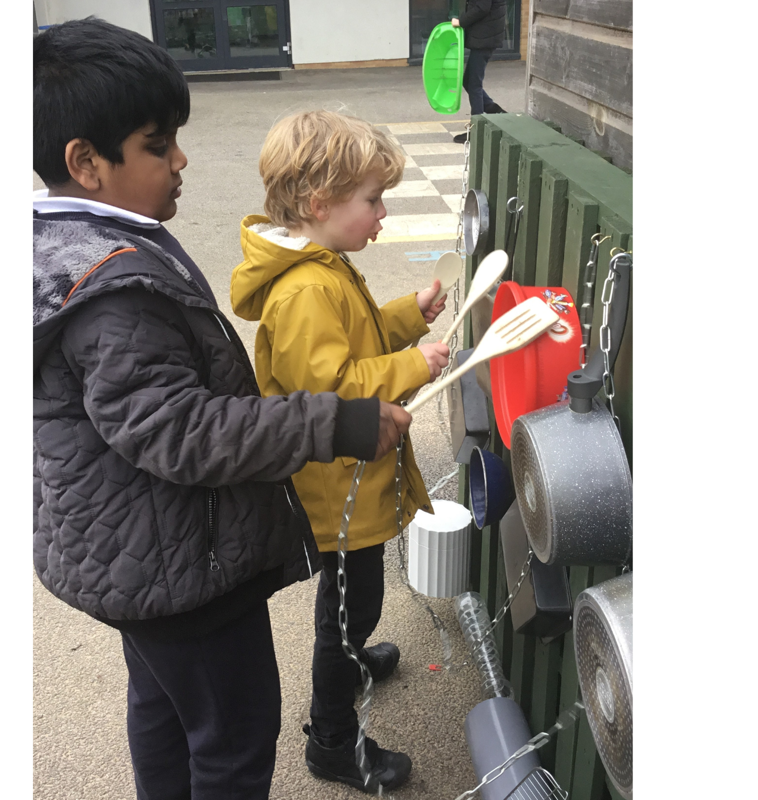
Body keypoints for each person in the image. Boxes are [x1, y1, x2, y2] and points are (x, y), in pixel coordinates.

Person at [33, 20, 412, 800]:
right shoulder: (112, 287)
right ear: (86, 162)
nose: (180, 159)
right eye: (157, 143)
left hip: (135, 553)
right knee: (234, 739)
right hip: (176, 563)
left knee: (165, 708)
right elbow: (180, 429)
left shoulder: (86, 242)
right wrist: (337, 423)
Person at [230, 110, 450, 794]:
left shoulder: (325, 267)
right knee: (349, 609)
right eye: (373, 200)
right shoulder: (305, 289)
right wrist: (414, 364)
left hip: (351, 480)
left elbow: (355, 337)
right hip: (336, 491)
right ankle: (331, 737)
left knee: (356, 600)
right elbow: (330, 388)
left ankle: (351, 668)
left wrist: (407, 315)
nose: (383, 213)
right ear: (320, 204)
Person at [451, 0, 508, 144]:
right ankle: (493, 110)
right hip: (485, 35)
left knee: (474, 84)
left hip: (486, 37)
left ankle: (477, 130)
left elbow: (482, 8)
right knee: (468, 81)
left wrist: (460, 21)